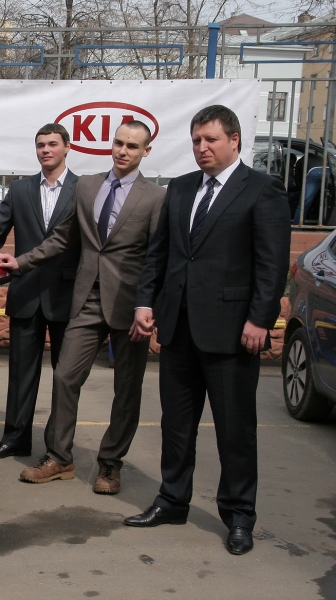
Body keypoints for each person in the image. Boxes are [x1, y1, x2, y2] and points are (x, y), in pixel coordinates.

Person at [124, 105, 291, 555]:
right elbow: (159, 254)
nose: (202, 148)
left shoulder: (262, 190)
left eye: (211, 139)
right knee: (177, 426)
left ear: (234, 140)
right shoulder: (180, 188)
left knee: (235, 431)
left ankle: (239, 516)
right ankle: (172, 500)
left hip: (232, 332)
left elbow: (272, 264)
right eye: (196, 140)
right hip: (179, 329)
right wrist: (145, 302)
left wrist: (260, 318)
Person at [0, 121, 166, 494]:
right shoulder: (87, 186)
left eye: (132, 146)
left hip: (130, 307)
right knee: (65, 376)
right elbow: (62, 237)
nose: (123, 151)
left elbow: (158, 257)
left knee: (127, 390)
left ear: (146, 151)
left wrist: (149, 306)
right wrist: (21, 262)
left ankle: (110, 464)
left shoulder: (155, 197)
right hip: (86, 299)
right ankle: (60, 458)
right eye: (118, 143)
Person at [0, 123, 80, 459]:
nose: (46, 150)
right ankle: (16, 438)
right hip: (27, 293)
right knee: (20, 373)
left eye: (53, 144)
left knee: (65, 377)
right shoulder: (20, 190)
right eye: (41, 145)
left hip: (67, 295)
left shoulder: (83, 190)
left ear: (67, 147)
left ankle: (57, 447)